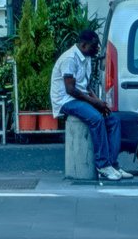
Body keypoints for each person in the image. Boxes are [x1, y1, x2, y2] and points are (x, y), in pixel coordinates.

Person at [51, 28, 132, 181]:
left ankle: (112, 165)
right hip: (65, 100)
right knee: (96, 118)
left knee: (113, 119)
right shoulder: (70, 58)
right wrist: (94, 103)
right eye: (94, 46)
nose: (97, 49)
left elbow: (85, 86)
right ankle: (102, 165)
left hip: (79, 97)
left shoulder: (86, 57)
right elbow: (71, 89)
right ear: (83, 45)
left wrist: (99, 102)